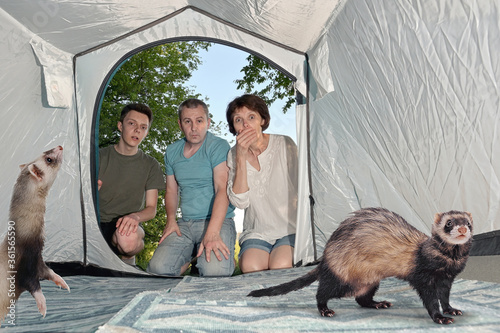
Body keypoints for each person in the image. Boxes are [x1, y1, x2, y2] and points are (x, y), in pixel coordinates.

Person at [147, 98, 236, 277]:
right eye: (188, 121)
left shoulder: (218, 146)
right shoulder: (172, 151)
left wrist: (212, 233)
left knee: (214, 272)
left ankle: (218, 261)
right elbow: (172, 190)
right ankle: (193, 258)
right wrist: (171, 220)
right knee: (158, 270)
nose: (194, 127)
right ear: (180, 124)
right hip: (185, 224)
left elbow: (222, 190)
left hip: (218, 221)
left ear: (208, 123)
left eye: (199, 121)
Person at [226, 94, 298, 274]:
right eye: (238, 120)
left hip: (290, 228)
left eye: (251, 117)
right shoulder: (232, 154)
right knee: (251, 267)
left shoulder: (284, 143)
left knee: (280, 265)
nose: (245, 125)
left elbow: (304, 187)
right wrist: (240, 156)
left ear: (262, 120)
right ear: (234, 127)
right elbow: (240, 202)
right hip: (257, 231)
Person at [98, 103, 165, 266]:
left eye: (143, 127)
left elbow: (151, 209)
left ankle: (128, 261)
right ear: (120, 126)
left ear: (146, 132)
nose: (137, 130)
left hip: (127, 226)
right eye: (131, 123)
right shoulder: (97, 157)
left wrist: (134, 217)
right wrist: (90, 191)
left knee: (127, 240)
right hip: (95, 223)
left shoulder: (151, 165)